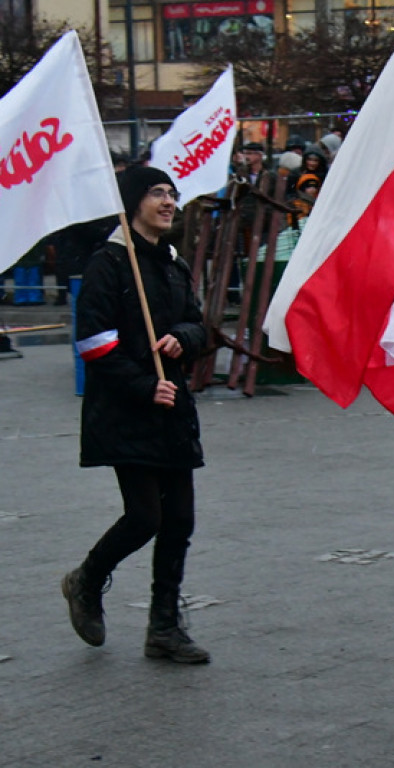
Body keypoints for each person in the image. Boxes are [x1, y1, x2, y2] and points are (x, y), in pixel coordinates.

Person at [61, 166, 210, 664]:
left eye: (172, 194)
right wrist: (146, 385)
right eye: (156, 194)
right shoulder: (110, 262)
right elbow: (94, 341)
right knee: (145, 516)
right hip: (128, 411)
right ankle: (85, 579)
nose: (168, 202)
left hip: (173, 411)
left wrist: (183, 339)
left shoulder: (172, 262)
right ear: (131, 203)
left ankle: (164, 628)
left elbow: (198, 323)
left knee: (179, 520)